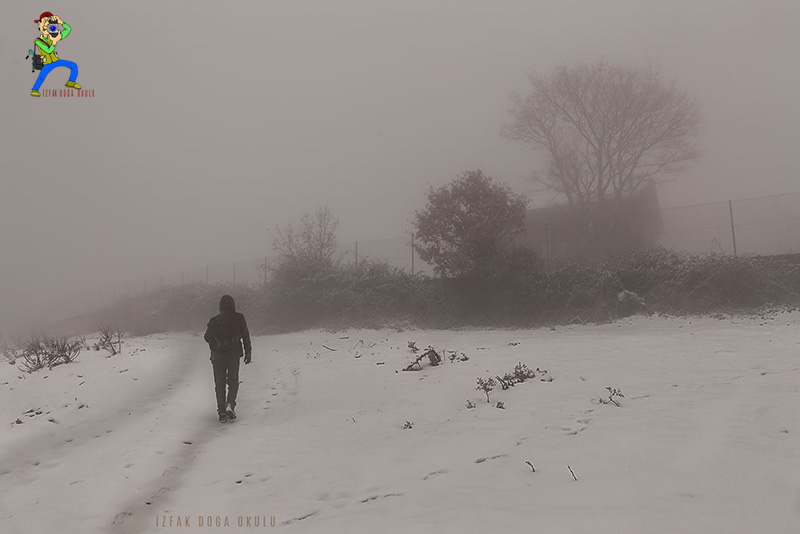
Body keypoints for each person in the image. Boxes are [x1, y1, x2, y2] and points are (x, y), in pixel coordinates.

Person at [204, 295, 252, 423]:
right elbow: (245, 335)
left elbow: (207, 337)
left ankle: (222, 412)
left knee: (219, 384)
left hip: (217, 356)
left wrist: (218, 343)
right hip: (233, 354)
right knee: (233, 381)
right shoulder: (239, 318)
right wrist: (248, 352)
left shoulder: (214, 320)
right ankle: (230, 403)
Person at [31, 12, 82, 97]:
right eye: (43, 23)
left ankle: (70, 82)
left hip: (55, 60)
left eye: (47, 24)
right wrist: (54, 41)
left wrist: (61, 22)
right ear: (39, 25)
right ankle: (35, 89)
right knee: (41, 76)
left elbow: (68, 29)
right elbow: (48, 50)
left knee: (73, 65)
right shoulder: (38, 41)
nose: (45, 26)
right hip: (46, 63)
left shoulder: (53, 36)